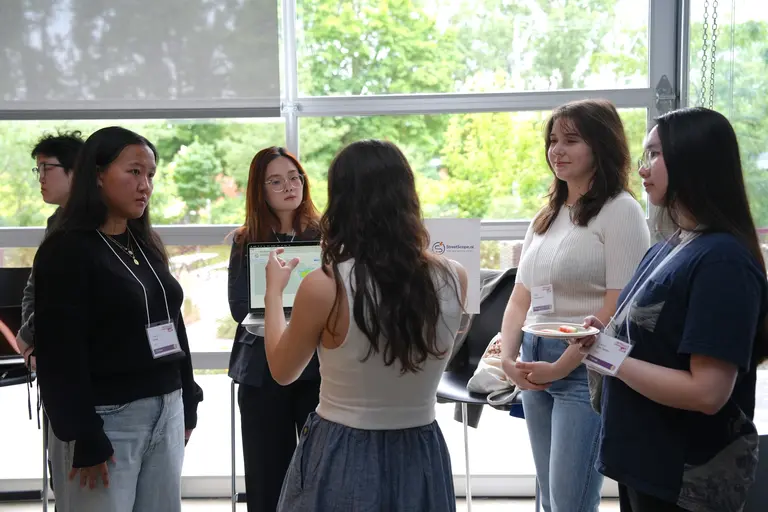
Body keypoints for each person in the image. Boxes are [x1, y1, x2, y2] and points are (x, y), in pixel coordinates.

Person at [576, 107, 768, 512]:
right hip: (642, 462)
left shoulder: (722, 261)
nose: (643, 168)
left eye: (655, 155)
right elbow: (654, 337)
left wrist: (609, 357)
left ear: (694, 159)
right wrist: (606, 333)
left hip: (683, 476)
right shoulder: (670, 245)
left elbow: (708, 392)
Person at [262, 139, 467, 510]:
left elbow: (282, 370)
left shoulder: (327, 286)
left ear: (340, 202)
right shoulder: (455, 277)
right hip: (421, 448)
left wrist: (273, 295)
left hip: (343, 451)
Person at [33, 126, 203, 512]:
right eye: (134, 172)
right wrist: (83, 433)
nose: (145, 185)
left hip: (165, 409)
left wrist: (188, 398)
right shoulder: (67, 250)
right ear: (97, 175)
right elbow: (60, 353)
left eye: (150, 175)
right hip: (107, 419)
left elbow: (173, 326)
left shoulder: (142, 244)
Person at [500, 99, 650, 512]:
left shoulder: (620, 210)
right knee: (548, 497)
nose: (557, 151)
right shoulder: (545, 217)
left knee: (570, 501)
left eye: (571, 140)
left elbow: (618, 304)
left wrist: (561, 366)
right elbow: (520, 297)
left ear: (600, 146)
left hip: (584, 367)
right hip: (533, 359)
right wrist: (509, 360)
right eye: (552, 140)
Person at [227, 147, 322, 512]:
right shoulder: (244, 239)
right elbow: (239, 307)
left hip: (316, 367)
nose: (289, 186)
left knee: (319, 470)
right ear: (260, 190)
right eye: (276, 180)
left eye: (295, 177)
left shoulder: (326, 234)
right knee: (267, 476)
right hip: (261, 369)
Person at [16, 130, 85, 369]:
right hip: (49, 349)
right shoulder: (55, 222)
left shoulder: (92, 224)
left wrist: (26, 336)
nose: (41, 178)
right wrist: (30, 339)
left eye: (47, 168)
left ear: (75, 170)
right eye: (38, 170)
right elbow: (34, 288)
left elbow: (64, 294)